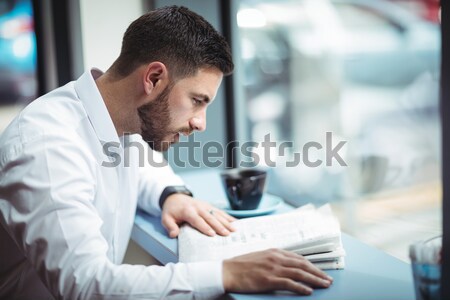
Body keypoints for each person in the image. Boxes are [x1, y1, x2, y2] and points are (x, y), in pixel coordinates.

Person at [0, 6, 332, 299]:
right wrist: (228, 273)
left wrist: (171, 194)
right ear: (154, 78)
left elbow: (141, 163)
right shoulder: (46, 146)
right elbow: (87, 286)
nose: (200, 123)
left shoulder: (116, 118)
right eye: (197, 101)